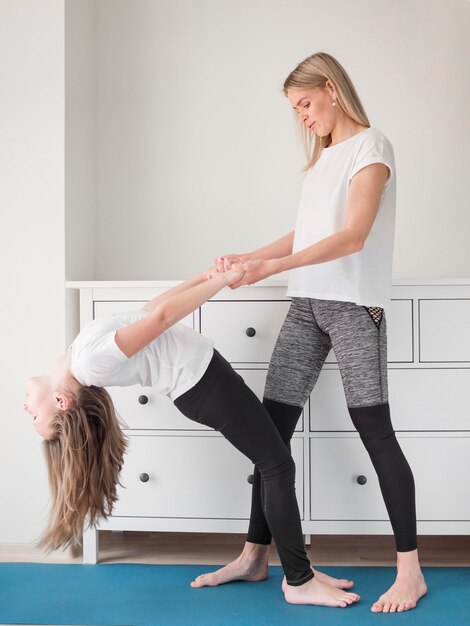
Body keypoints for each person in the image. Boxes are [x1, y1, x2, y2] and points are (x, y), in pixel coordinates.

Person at [201, 51, 428, 613]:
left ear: (330, 88)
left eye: (305, 103)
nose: (302, 117)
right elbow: (307, 232)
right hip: (306, 305)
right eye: (296, 110)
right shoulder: (324, 157)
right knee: (269, 430)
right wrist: (251, 256)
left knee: (374, 429)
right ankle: (256, 555)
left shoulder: (372, 147)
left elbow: (352, 236)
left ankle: (411, 571)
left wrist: (269, 269)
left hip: (353, 307)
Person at [24, 265, 361, 609]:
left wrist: (201, 278)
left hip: (206, 379)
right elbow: (162, 319)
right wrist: (221, 281)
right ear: (61, 403)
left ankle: (254, 560)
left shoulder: (80, 356)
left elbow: (149, 312)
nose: (26, 409)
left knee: (270, 456)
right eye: (36, 417)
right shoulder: (89, 363)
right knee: (277, 465)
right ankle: (299, 580)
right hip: (204, 388)